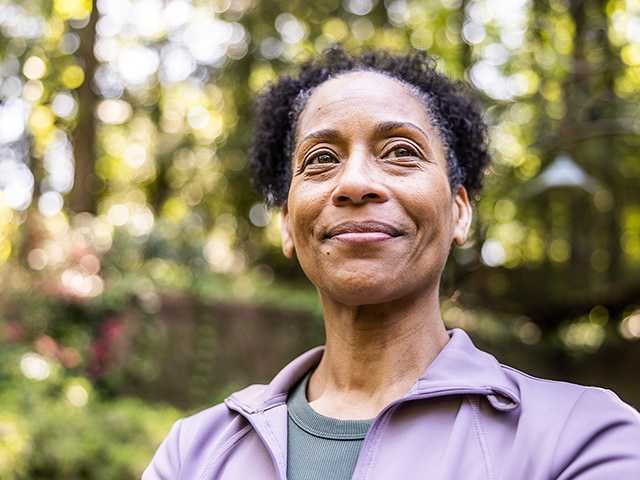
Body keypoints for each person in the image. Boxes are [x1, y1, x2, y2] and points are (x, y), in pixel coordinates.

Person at [142, 46, 640, 480]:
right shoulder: (194, 454)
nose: (355, 182)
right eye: (320, 159)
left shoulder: (583, 439)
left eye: (400, 151)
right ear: (287, 225)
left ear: (458, 211)